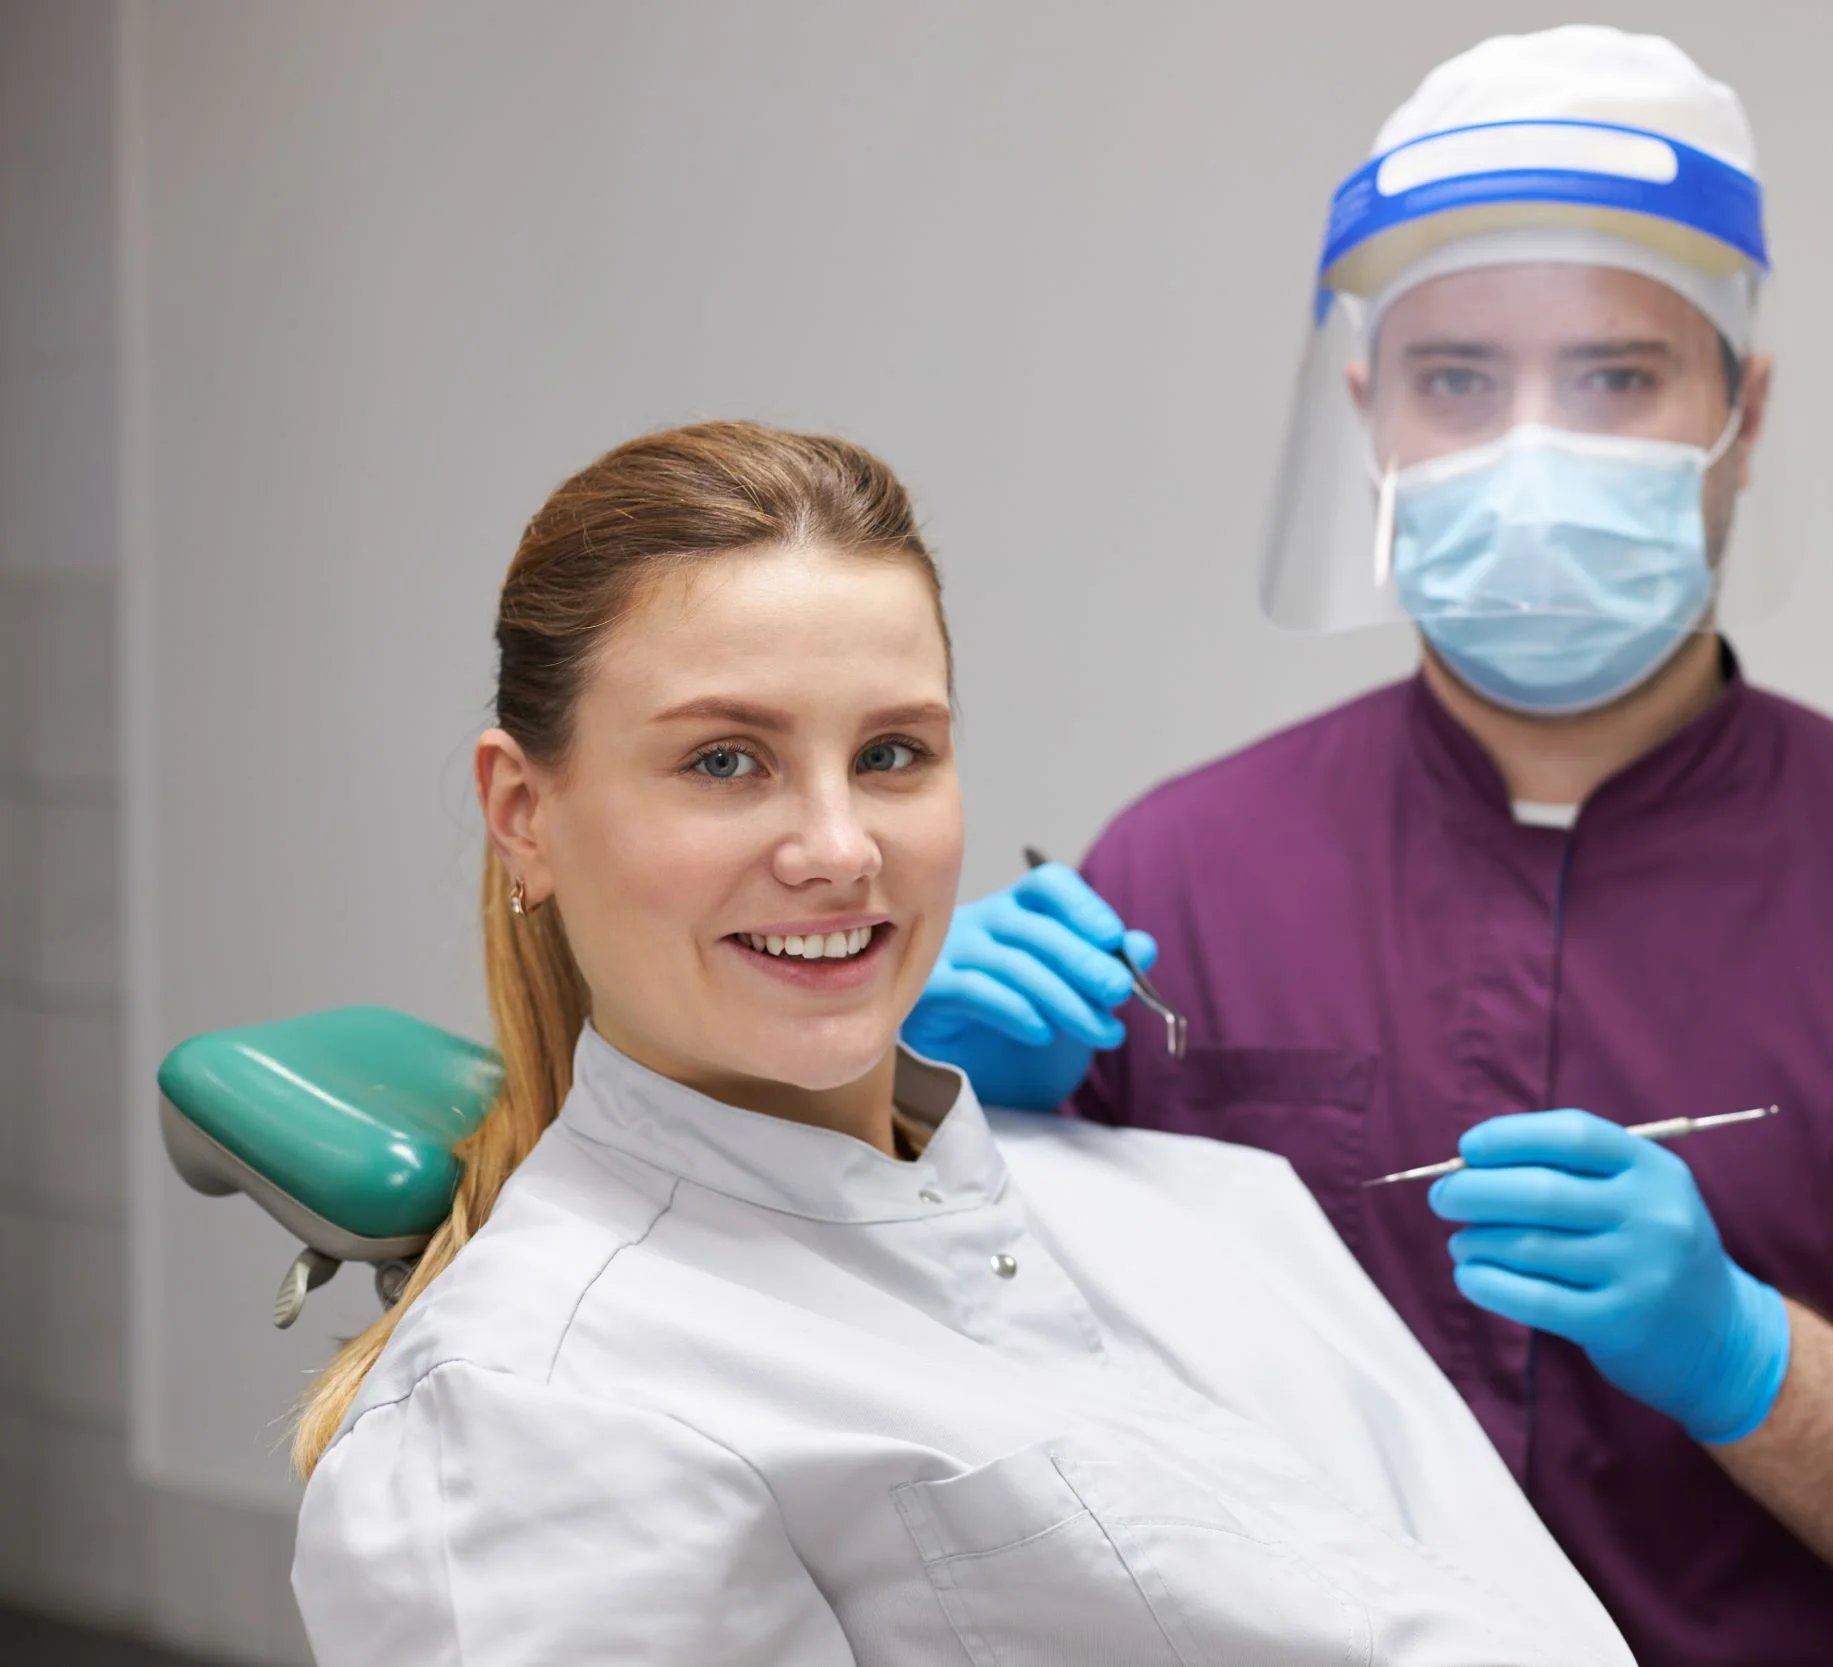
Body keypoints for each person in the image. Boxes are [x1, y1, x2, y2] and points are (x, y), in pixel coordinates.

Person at [899, 26, 1833, 1667]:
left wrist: (1754, 1361)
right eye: (1459, 379)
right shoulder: (1180, 872)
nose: (1533, 455)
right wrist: (908, 1125)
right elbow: (922, 1454)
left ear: (1742, 414)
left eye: (1616, 376)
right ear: (1371, 415)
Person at [285, 421, 1639, 1665]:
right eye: (724, 761)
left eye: (890, 754)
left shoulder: (1180, 1197)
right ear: (523, 811)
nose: (839, 849)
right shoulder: (540, 1413)